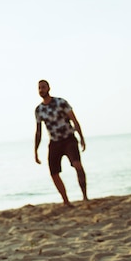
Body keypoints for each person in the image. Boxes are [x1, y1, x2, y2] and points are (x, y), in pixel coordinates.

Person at [34, 79, 88, 207]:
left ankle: (85, 196)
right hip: (54, 142)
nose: (42, 90)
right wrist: (35, 151)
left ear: (49, 88)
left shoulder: (60, 102)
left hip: (69, 139)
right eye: (39, 88)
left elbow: (75, 121)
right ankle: (66, 201)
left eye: (44, 87)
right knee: (53, 173)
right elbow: (38, 132)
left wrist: (81, 138)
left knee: (77, 165)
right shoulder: (39, 110)